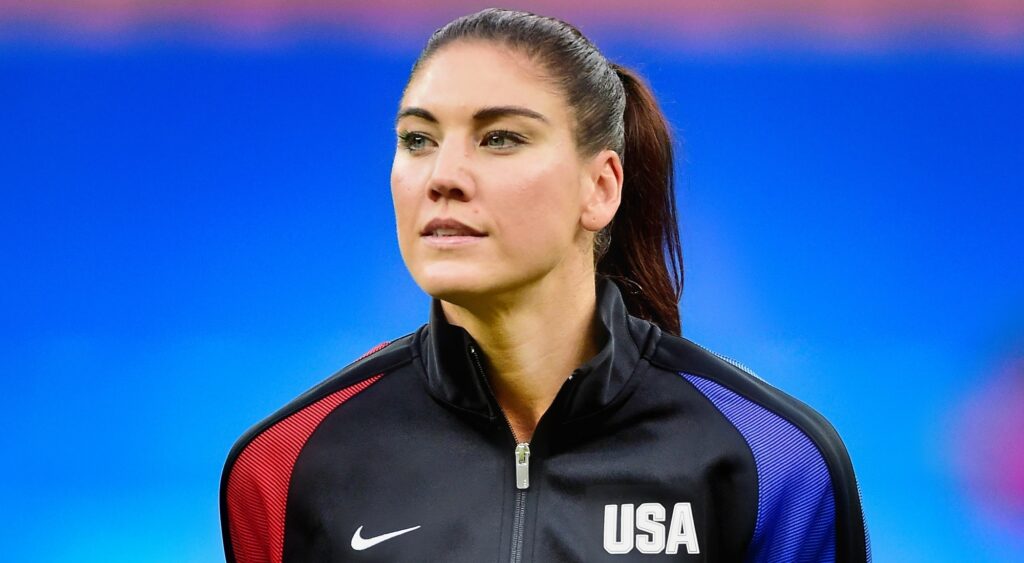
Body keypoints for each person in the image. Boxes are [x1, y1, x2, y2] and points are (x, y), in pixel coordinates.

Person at [219, 8, 870, 562]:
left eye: (499, 138)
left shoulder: (773, 461)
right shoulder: (286, 463)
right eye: (417, 139)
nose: (443, 175)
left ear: (601, 186)